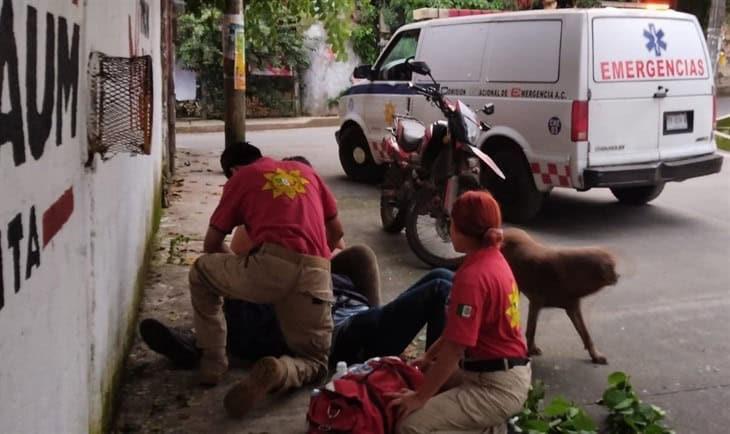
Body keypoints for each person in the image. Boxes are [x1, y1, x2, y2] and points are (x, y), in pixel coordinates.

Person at [187, 142, 344, 418]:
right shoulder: (306, 171)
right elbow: (336, 234)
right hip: (317, 272)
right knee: (316, 362)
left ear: (234, 170)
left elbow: (211, 244)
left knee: (200, 272)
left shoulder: (242, 178)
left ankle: (213, 361)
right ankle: (281, 370)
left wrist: (240, 273)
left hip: (268, 266)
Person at [141, 242, 453, 371]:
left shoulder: (309, 268)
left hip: (360, 313)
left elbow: (340, 246)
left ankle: (464, 352)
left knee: (442, 275)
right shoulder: (262, 295)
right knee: (439, 287)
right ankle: (436, 377)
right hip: (343, 337)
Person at [388, 191, 531, 434]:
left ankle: (491, 424)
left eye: (452, 221)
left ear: (461, 230)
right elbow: (457, 332)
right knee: (427, 381)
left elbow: (455, 349)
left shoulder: (472, 278)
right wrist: (428, 358)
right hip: (493, 370)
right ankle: (491, 426)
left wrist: (420, 398)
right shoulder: (493, 258)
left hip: (494, 385)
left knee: (408, 425)